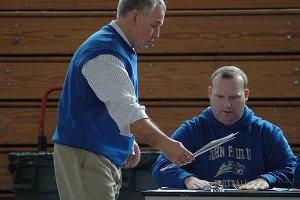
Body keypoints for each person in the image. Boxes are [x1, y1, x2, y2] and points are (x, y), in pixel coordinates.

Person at [52, 0, 194, 199]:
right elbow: (127, 111)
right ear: (134, 16)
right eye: (154, 25)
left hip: (96, 155)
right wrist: (166, 144)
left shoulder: (119, 47)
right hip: (87, 155)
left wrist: (126, 139)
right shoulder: (104, 52)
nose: (157, 34)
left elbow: (115, 108)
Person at [152, 66, 297, 190]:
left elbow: (291, 170)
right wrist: (188, 179)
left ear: (246, 95)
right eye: (220, 97)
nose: (227, 104)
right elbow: (162, 168)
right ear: (210, 93)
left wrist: (266, 180)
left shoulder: (267, 132)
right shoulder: (192, 130)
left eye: (234, 97)